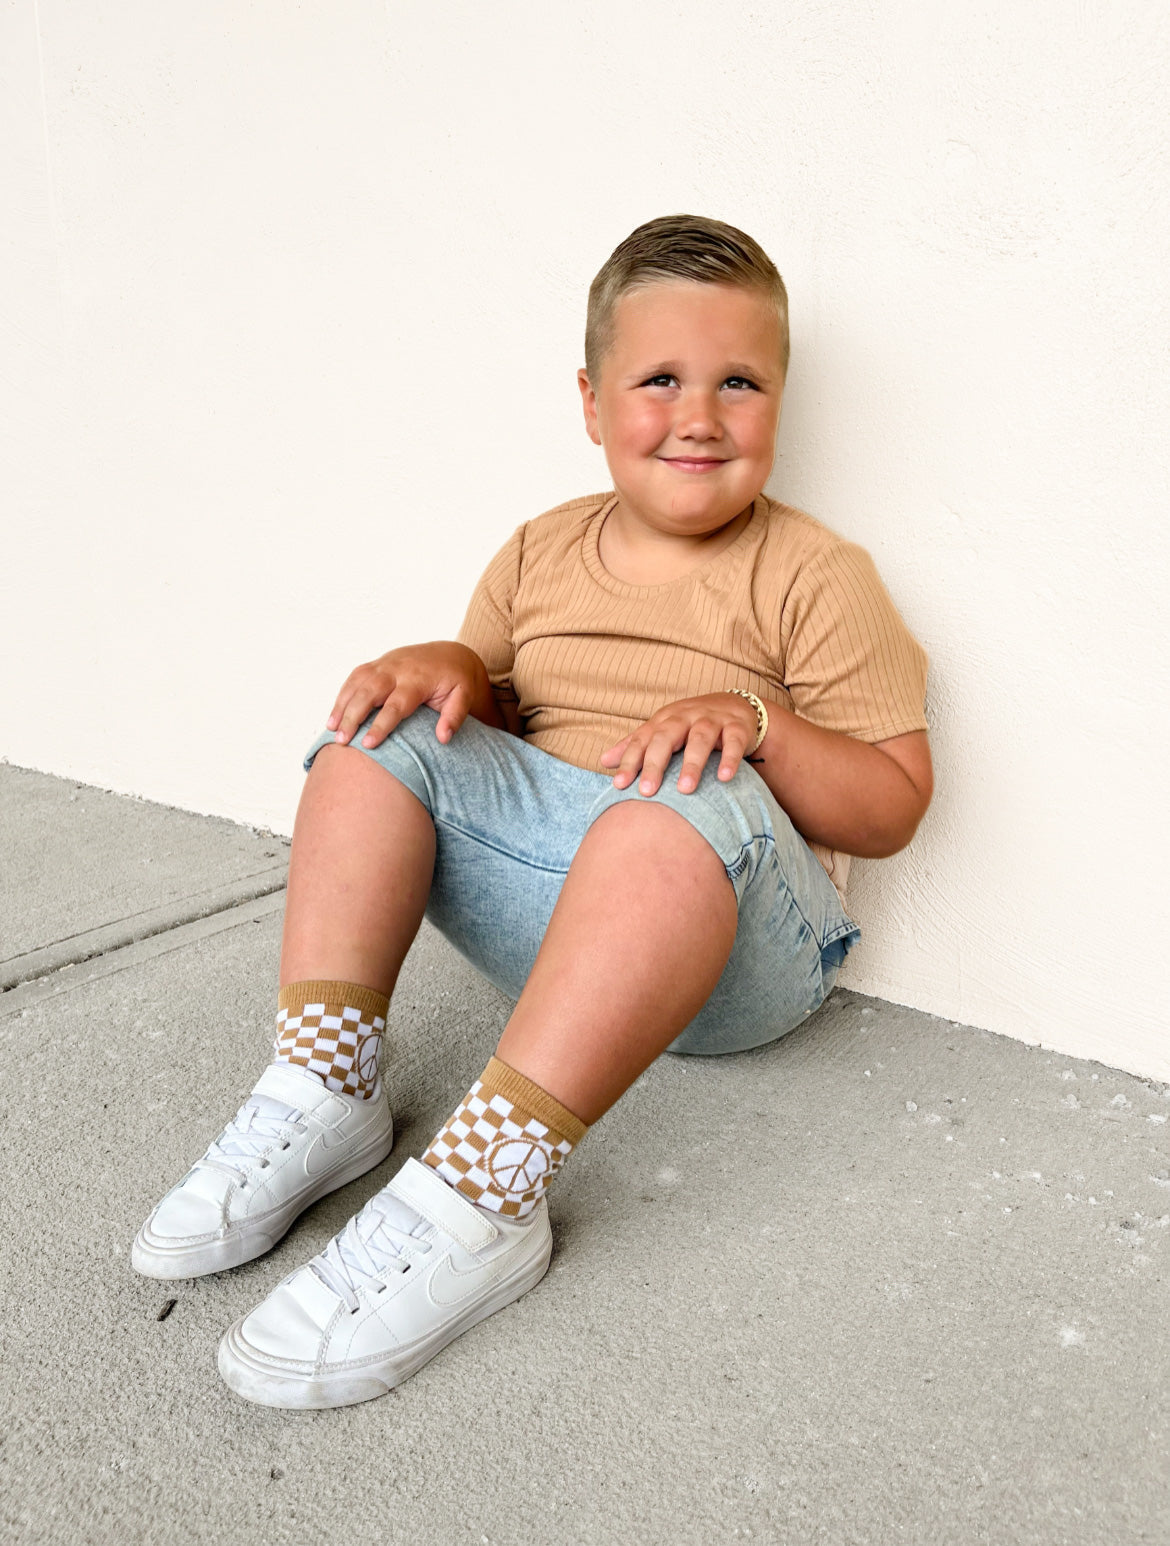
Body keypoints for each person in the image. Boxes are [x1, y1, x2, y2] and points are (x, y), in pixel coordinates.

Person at [133, 213, 933, 1409]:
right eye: (659, 380)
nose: (700, 415)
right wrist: (453, 666)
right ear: (592, 402)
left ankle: (486, 1193)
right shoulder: (538, 551)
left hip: (733, 954)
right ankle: (325, 1083)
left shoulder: (814, 573)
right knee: (382, 727)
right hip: (562, 938)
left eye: (740, 382)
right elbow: (489, 727)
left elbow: (894, 806)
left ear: (780, 401)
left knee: (685, 788)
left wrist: (756, 723)